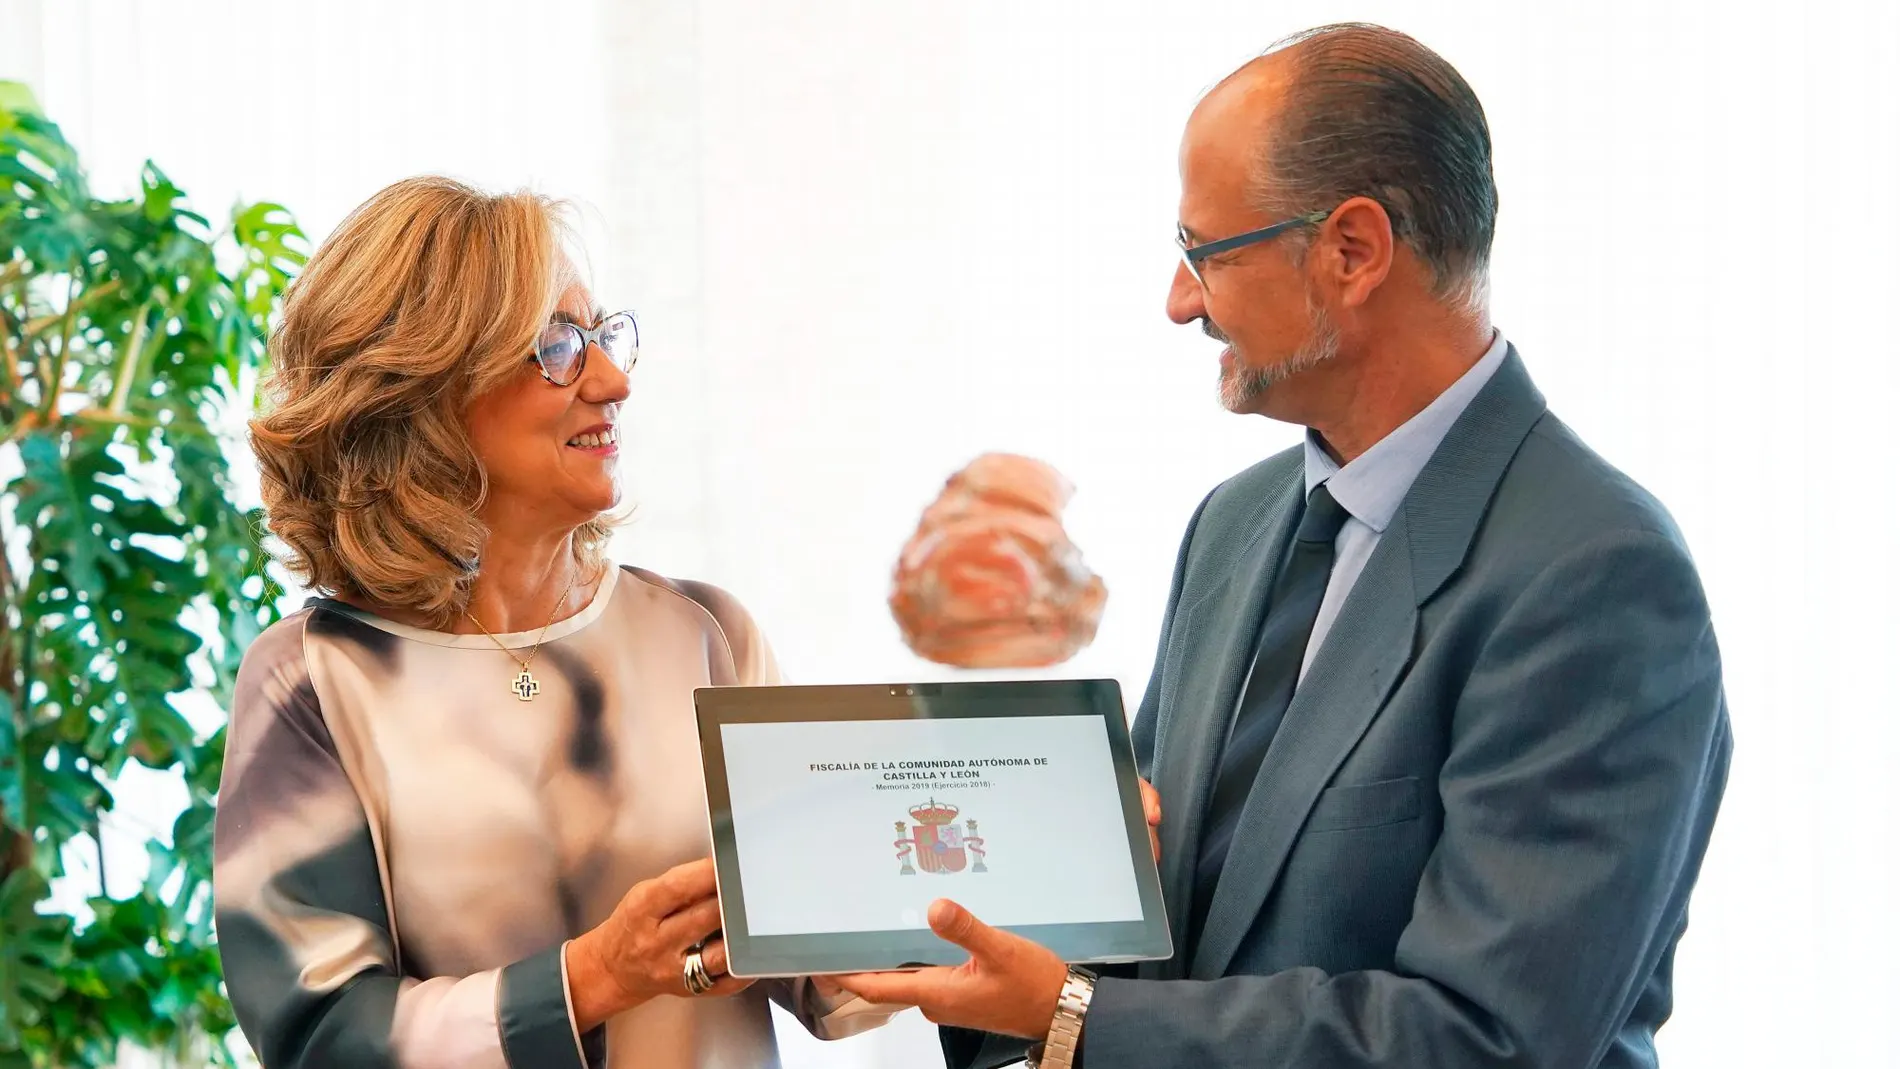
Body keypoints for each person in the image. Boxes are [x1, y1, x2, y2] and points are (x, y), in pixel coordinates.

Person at [836, 22, 1733, 1069]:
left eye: (1200, 254)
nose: (1179, 303)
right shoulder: (1234, 523)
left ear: (1352, 251)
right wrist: (1010, 922)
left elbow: (1488, 1040)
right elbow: (1155, 950)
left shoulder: (1595, 575)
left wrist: (1077, 1018)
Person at [214, 176, 896, 1069]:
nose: (612, 379)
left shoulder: (704, 633)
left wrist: (1028, 851)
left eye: (605, 333)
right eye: (558, 345)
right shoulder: (310, 680)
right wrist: (595, 976)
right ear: (421, 389)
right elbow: (321, 1037)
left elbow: (836, 970)